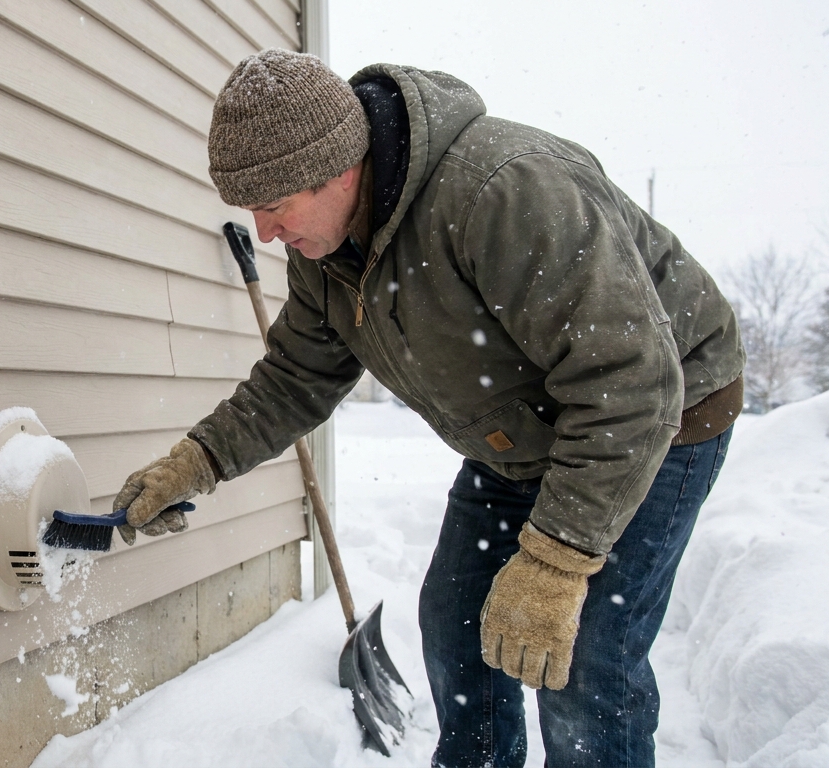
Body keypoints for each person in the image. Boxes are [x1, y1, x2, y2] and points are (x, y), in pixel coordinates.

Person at [110, 49, 744, 766]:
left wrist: (559, 559)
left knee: (581, 658)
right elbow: (298, 373)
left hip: (654, 419)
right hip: (523, 435)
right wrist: (197, 462)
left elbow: (628, 381)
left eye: (274, 207)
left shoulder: (503, 193)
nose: (264, 232)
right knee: (455, 621)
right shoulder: (328, 248)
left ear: (339, 170)